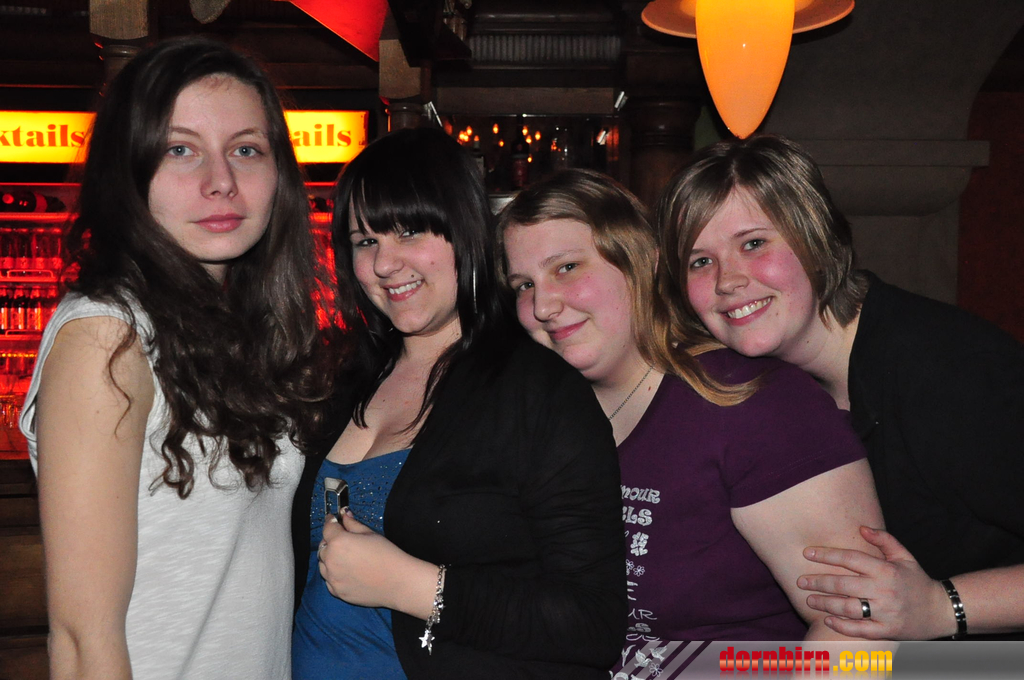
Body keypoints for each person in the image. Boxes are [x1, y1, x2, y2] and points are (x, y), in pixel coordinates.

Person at [18, 37, 336, 679]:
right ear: (128, 172)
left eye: (246, 149)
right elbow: (81, 641)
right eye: (180, 149)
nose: (221, 181)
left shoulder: (242, 328)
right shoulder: (108, 336)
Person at [497, 169, 885, 666]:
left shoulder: (753, 404)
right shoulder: (541, 418)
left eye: (567, 268)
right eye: (524, 285)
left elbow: (861, 626)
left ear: (643, 262)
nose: (543, 305)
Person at [290, 128, 626, 679]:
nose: (385, 264)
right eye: (365, 241)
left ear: (464, 233)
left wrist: (413, 586)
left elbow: (592, 622)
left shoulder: (538, 391)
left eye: (409, 231)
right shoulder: (340, 379)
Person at [660, 133, 1024, 640]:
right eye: (700, 261)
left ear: (816, 238)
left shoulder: (948, 371)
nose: (727, 280)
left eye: (753, 243)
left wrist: (945, 607)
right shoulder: (767, 384)